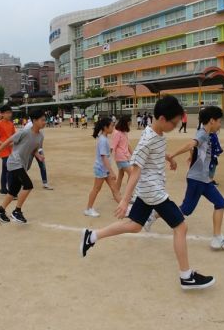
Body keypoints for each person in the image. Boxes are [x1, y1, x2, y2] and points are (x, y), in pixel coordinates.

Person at [80, 96, 215, 290]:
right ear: (162, 118)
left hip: (149, 189)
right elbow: (136, 170)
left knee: (134, 226)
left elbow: (156, 153)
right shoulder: (148, 139)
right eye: (174, 123)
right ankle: (186, 276)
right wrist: (125, 200)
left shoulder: (157, 134)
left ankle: (91, 236)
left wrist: (169, 158)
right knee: (181, 227)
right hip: (153, 191)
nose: (175, 126)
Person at [149, 106, 224, 250]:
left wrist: (192, 156)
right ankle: (153, 215)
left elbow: (196, 148)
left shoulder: (207, 134)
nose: (220, 124)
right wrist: (172, 155)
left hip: (204, 180)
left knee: (220, 203)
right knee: (186, 209)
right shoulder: (202, 134)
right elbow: (191, 143)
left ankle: (217, 238)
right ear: (212, 121)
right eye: (219, 121)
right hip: (196, 179)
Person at [0, 110, 47, 224]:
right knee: (28, 185)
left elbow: (34, 148)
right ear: (35, 121)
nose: (44, 122)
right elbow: (8, 141)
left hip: (23, 164)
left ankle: (0, 210)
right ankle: (17, 211)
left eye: (45, 120)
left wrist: (38, 156)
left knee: (13, 191)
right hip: (15, 162)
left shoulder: (40, 136)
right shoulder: (24, 132)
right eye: (42, 120)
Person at [84, 117, 122, 217]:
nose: (113, 128)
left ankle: (124, 208)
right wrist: (112, 171)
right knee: (96, 189)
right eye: (112, 126)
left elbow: (106, 155)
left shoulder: (104, 138)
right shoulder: (102, 140)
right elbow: (104, 157)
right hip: (101, 169)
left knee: (115, 189)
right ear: (105, 127)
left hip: (105, 169)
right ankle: (88, 209)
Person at [23, 117, 53, 190]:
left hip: (38, 149)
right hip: (29, 149)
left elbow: (40, 143)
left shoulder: (41, 134)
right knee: (27, 166)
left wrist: (40, 152)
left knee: (42, 166)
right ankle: (19, 180)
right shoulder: (28, 126)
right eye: (42, 120)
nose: (44, 122)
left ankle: (45, 183)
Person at [0, 105, 16, 195]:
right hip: (3, 150)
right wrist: (4, 144)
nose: (9, 114)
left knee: (5, 170)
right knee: (10, 169)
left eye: (10, 112)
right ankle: (11, 191)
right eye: (7, 113)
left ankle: (3, 189)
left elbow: (14, 136)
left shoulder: (11, 124)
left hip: (11, 150)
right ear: (2, 114)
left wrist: (14, 142)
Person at [110, 115, 134, 193]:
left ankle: (116, 192)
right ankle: (129, 194)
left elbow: (128, 145)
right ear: (125, 123)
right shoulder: (117, 133)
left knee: (121, 175)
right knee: (132, 174)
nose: (130, 125)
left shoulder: (124, 132)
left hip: (125, 156)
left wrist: (133, 155)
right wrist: (106, 159)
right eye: (129, 123)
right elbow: (113, 146)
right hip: (120, 158)